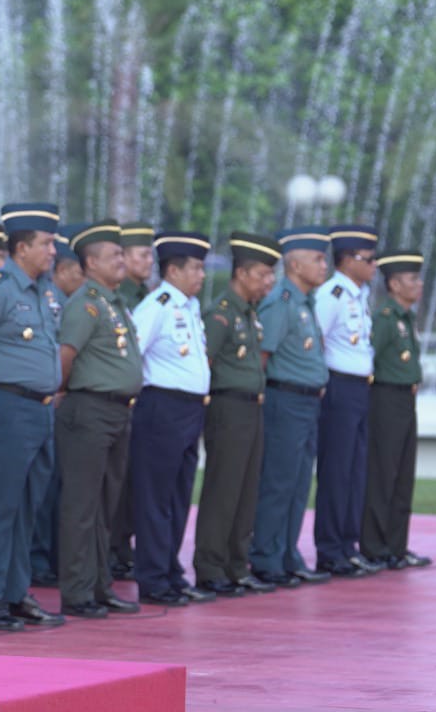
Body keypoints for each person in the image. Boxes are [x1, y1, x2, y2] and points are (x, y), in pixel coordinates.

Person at [0, 203, 66, 631]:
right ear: (21, 246)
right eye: (46, 243)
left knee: (28, 506)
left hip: (40, 410)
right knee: (0, 505)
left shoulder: (44, 290)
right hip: (6, 408)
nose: (52, 251)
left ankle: (15, 593)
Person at [54, 220, 143, 619]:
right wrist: (62, 393)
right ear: (90, 263)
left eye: (123, 254)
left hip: (116, 411)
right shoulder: (86, 303)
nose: (122, 261)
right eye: (114, 255)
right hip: (89, 409)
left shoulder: (114, 302)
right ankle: (76, 591)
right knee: (82, 504)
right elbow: (65, 356)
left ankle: (100, 585)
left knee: (106, 504)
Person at [192, 232, 281, 597]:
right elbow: (205, 363)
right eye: (262, 274)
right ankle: (211, 566)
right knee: (223, 489)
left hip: (251, 407)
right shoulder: (222, 316)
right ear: (242, 273)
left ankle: (235, 565)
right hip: (227, 406)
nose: (269, 281)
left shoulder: (250, 315)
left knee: (246, 490)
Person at [128, 231, 214, 607]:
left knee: (179, 495)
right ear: (173, 270)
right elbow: (133, 353)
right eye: (195, 267)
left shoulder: (190, 308)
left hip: (190, 409)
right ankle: (153, 578)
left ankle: (171, 571)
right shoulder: (157, 305)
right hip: (161, 407)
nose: (201, 275)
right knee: (156, 496)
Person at [249, 226, 332, 589]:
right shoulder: (281, 302)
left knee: (298, 483)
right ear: (295, 264)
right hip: (285, 399)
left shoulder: (304, 302)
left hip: (307, 402)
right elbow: (262, 355)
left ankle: (287, 554)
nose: (323, 265)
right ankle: (266, 556)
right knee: (279, 482)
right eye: (317, 259)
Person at [312, 224, 383, 577]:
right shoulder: (332, 295)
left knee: (355, 470)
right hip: (338, 387)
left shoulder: (358, 295)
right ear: (346, 260)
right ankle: (330, 549)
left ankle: (347, 544)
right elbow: (316, 339)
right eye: (367, 259)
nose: (374, 265)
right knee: (337, 471)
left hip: (359, 388)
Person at [360, 250, 433, 571]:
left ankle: (396, 546)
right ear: (393, 283)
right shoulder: (386, 319)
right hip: (386, 399)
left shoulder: (405, 318)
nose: (419, 284)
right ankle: (375, 547)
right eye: (412, 279)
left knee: (403, 476)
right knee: (382, 475)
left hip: (405, 400)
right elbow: (368, 358)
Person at [31, 225, 85, 586]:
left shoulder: (53, 298)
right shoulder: (44, 295)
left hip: (51, 401)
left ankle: (45, 558)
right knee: (34, 489)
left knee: (50, 484)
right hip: (34, 400)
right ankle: (35, 562)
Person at [109, 220, 154, 581]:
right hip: (122, 402)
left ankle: (123, 547)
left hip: (139, 400)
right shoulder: (119, 296)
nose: (149, 260)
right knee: (118, 481)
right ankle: (115, 548)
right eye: (143, 253)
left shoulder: (142, 295)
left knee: (132, 477)